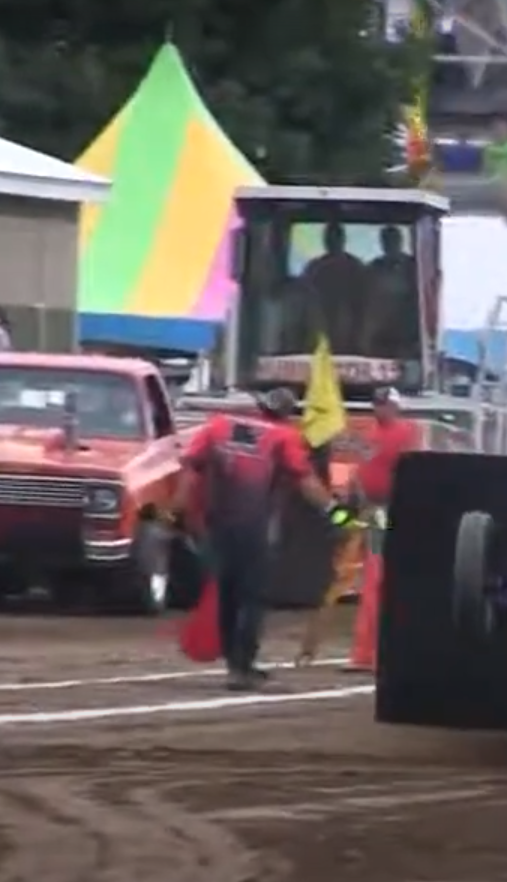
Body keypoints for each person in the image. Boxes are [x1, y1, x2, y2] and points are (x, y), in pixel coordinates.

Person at [176, 387, 355, 691]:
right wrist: (336, 514)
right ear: (286, 413)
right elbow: (306, 481)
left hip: (218, 524)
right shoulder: (283, 437)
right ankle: (242, 666)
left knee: (227, 593)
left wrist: (177, 511)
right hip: (256, 528)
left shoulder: (217, 426)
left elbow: (190, 468)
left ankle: (235, 662)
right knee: (251, 597)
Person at [298, 222, 370, 349]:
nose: (332, 241)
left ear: (343, 239)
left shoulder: (356, 267)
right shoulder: (314, 267)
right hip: (319, 321)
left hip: (350, 323)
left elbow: (366, 301)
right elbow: (304, 296)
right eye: (329, 238)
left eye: (336, 237)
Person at [365, 225, 420, 355]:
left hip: (408, 333)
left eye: (393, 240)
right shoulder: (374, 268)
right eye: (386, 241)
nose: (390, 244)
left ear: (400, 241)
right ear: (382, 243)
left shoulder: (414, 267)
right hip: (381, 334)